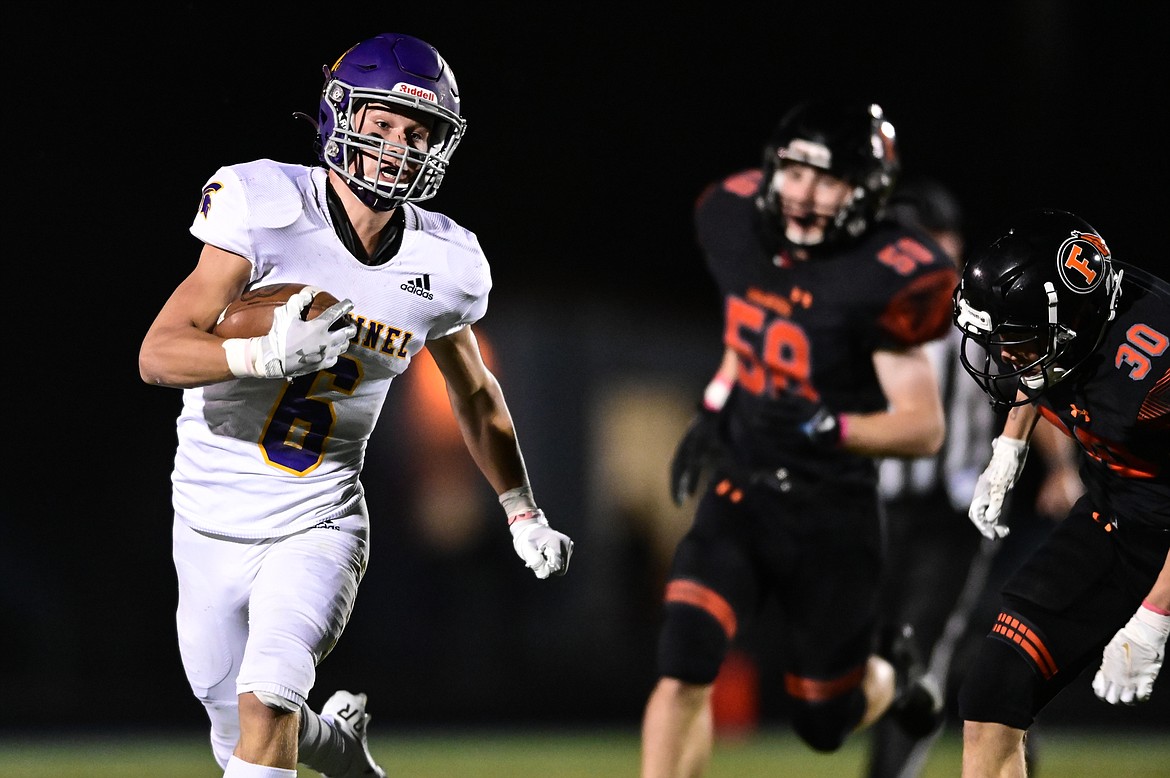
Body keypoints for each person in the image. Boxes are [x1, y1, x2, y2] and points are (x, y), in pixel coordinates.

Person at [138, 32, 573, 778]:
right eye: (382, 125)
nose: (399, 146)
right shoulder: (265, 204)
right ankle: (339, 752)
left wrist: (522, 509)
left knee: (267, 699)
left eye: (418, 131)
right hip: (208, 514)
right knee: (230, 716)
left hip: (320, 517)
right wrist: (262, 353)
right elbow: (158, 353)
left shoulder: (446, 260)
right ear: (342, 119)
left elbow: (474, 391)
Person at [640, 100, 959, 778]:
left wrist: (832, 426)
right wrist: (714, 405)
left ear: (866, 190)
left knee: (824, 723)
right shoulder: (734, 222)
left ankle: (891, 676)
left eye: (828, 180)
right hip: (742, 491)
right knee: (683, 663)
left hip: (831, 515)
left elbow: (924, 426)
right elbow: (749, 330)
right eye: (793, 172)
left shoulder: (885, 274)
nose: (804, 195)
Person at [864, 182, 1083, 778]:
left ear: (948, 243)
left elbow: (1027, 386)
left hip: (957, 514)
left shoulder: (974, 311)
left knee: (921, 653)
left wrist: (1060, 467)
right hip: (884, 514)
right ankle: (1014, 746)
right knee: (924, 652)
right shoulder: (874, 309)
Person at [952, 208, 1170, 777]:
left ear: (1075, 325)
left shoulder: (1157, 373)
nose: (1003, 357)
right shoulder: (1072, 319)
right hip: (1114, 517)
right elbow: (1041, 371)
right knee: (993, 689)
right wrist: (1009, 449)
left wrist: (1154, 615)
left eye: (1016, 341)